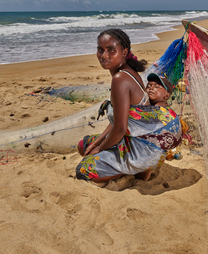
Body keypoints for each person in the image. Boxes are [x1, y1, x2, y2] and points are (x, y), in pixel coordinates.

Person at [76, 29, 181, 183]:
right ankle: (134, 168)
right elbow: (120, 120)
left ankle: (135, 169)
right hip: (138, 141)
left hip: (141, 149)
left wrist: (99, 149)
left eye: (111, 50)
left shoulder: (120, 79)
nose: (104, 55)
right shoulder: (130, 73)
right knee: (83, 145)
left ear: (124, 52)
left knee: (83, 171)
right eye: (100, 50)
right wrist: (96, 143)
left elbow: (120, 128)